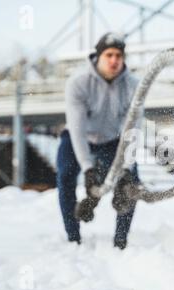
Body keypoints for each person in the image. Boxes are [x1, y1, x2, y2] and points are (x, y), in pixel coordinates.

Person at [56, 32, 142, 249]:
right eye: (109, 55)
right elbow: (77, 126)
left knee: (131, 182)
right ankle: (73, 237)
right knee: (65, 174)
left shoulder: (134, 86)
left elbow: (132, 129)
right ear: (98, 56)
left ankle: (120, 240)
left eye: (119, 56)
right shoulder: (78, 82)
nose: (114, 60)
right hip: (79, 136)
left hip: (112, 139)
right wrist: (87, 168)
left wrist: (126, 168)